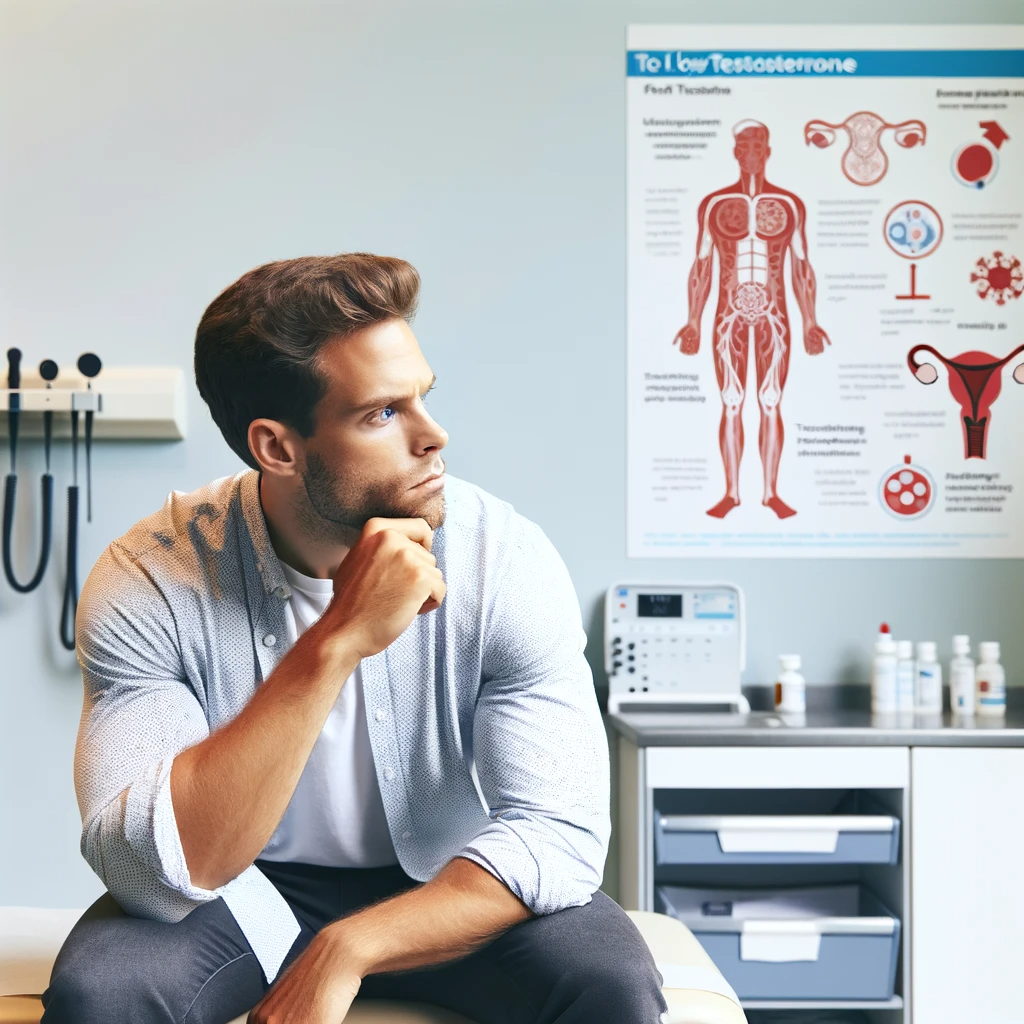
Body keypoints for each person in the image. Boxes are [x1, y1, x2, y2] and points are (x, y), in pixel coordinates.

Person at [42, 255, 666, 1023]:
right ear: (277, 447)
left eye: (423, 399)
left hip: (456, 879)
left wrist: (349, 947)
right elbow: (148, 871)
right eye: (381, 414)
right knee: (98, 994)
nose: (434, 437)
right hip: (239, 893)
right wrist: (336, 639)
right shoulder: (149, 578)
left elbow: (558, 833)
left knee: (611, 982)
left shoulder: (503, 558)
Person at [674, 119, 830, 520]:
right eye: (744, 145)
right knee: (731, 402)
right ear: (735, 151)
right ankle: (731, 493)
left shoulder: (789, 205)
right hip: (728, 315)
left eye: (758, 144)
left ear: (769, 150)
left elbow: (801, 266)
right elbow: (702, 265)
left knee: (771, 401)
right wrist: (692, 320)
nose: (751, 152)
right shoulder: (714, 205)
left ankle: (771, 493)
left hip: (775, 316)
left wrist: (810, 320)